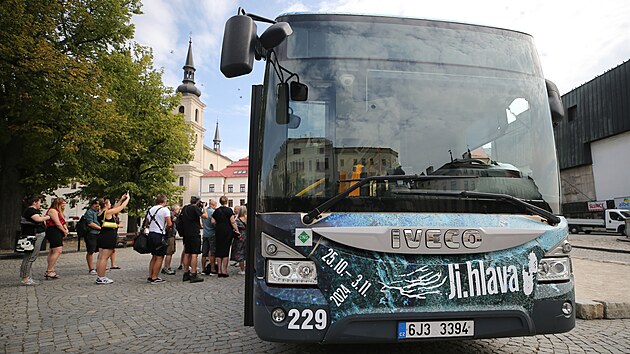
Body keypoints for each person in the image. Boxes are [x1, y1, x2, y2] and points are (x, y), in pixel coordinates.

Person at [95, 193, 129, 284]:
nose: (111, 205)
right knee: (104, 258)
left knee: (101, 257)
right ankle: (102, 277)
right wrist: (127, 200)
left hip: (102, 235)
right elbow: (120, 208)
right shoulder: (108, 213)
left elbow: (115, 207)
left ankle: (99, 276)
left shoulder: (101, 213)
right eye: (109, 203)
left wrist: (121, 199)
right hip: (108, 236)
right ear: (106, 205)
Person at [19, 196, 51, 285]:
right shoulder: (30, 211)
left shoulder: (31, 211)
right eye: (39, 202)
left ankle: (27, 276)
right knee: (30, 257)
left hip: (35, 236)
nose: (40, 204)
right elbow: (38, 219)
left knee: (30, 257)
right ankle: (25, 278)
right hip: (33, 237)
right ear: (34, 202)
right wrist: (47, 217)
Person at [179, 196, 207, 283]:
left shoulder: (185, 208)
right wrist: (204, 208)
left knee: (187, 253)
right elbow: (205, 216)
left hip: (186, 233)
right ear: (197, 202)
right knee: (194, 254)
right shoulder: (195, 208)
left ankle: (186, 273)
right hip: (194, 233)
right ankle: (193, 273)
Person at [212, 196, 240, 278]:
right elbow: (233, 221)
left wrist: (219, 223)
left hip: (218, 231)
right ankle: (224, 270)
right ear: (226, 202)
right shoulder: (229, 210)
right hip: (227, 231)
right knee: (225, 250)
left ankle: (219, 270)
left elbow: (212, 221)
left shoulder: (216, 211)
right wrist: (237, 230)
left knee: (219, 250)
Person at [146, 194, 172, 284]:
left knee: (153, 256)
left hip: (151, 234)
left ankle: (150, 275)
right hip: (159, 235)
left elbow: (146, 223)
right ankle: (155, 277)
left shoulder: (150, 209)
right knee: (160, 257)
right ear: (164, 201)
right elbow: (169, 224)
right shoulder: (165, 210)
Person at [44, 197, 68, 279]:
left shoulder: (59, 212)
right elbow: (57, 223)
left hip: (58, 231)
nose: (64, 205)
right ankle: (49, 270)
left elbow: (63, 221)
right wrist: (64, 231)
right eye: (63, 203)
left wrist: (65, 229)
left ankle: (51, 269)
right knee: (57, 250)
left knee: (53, 250)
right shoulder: (52, 211)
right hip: (53, 230)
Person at [161, 205, 180, 275]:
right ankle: (167, 267)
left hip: (170, 235)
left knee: (170, 252)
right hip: (170, 235)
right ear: (174, 210)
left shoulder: (169, 214)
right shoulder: (170, 214)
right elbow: (174, 220)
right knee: (169, 252)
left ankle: (167, 267)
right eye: (178, 210)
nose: (178, 211)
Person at [84, 199, 101, 275]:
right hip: (92, 233)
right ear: (93, 204)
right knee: (90, 251)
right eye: (97, 204)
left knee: (101, 250)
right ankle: (91, 268)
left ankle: (99, 266)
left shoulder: (98, 212)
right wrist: (101, 228)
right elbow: (90, 223)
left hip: (99, 234)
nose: (98, 206)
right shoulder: (89, 212)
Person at [201, 199, 217, 275]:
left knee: (204, 253)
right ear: (213, 205)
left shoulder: (204, 212)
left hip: (205, 234)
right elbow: (214, 223)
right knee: (212, 252)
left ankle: (203, 269)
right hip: (212, 234)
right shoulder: (213, 212)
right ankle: (213, 269)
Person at [231, 205, 247, 275]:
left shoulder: (237, 220)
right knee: (247, 252)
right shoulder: (248, 219)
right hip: (247, 236)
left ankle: (242, 269)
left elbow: (234, 228)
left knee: (240, 253)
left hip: (240, 237)